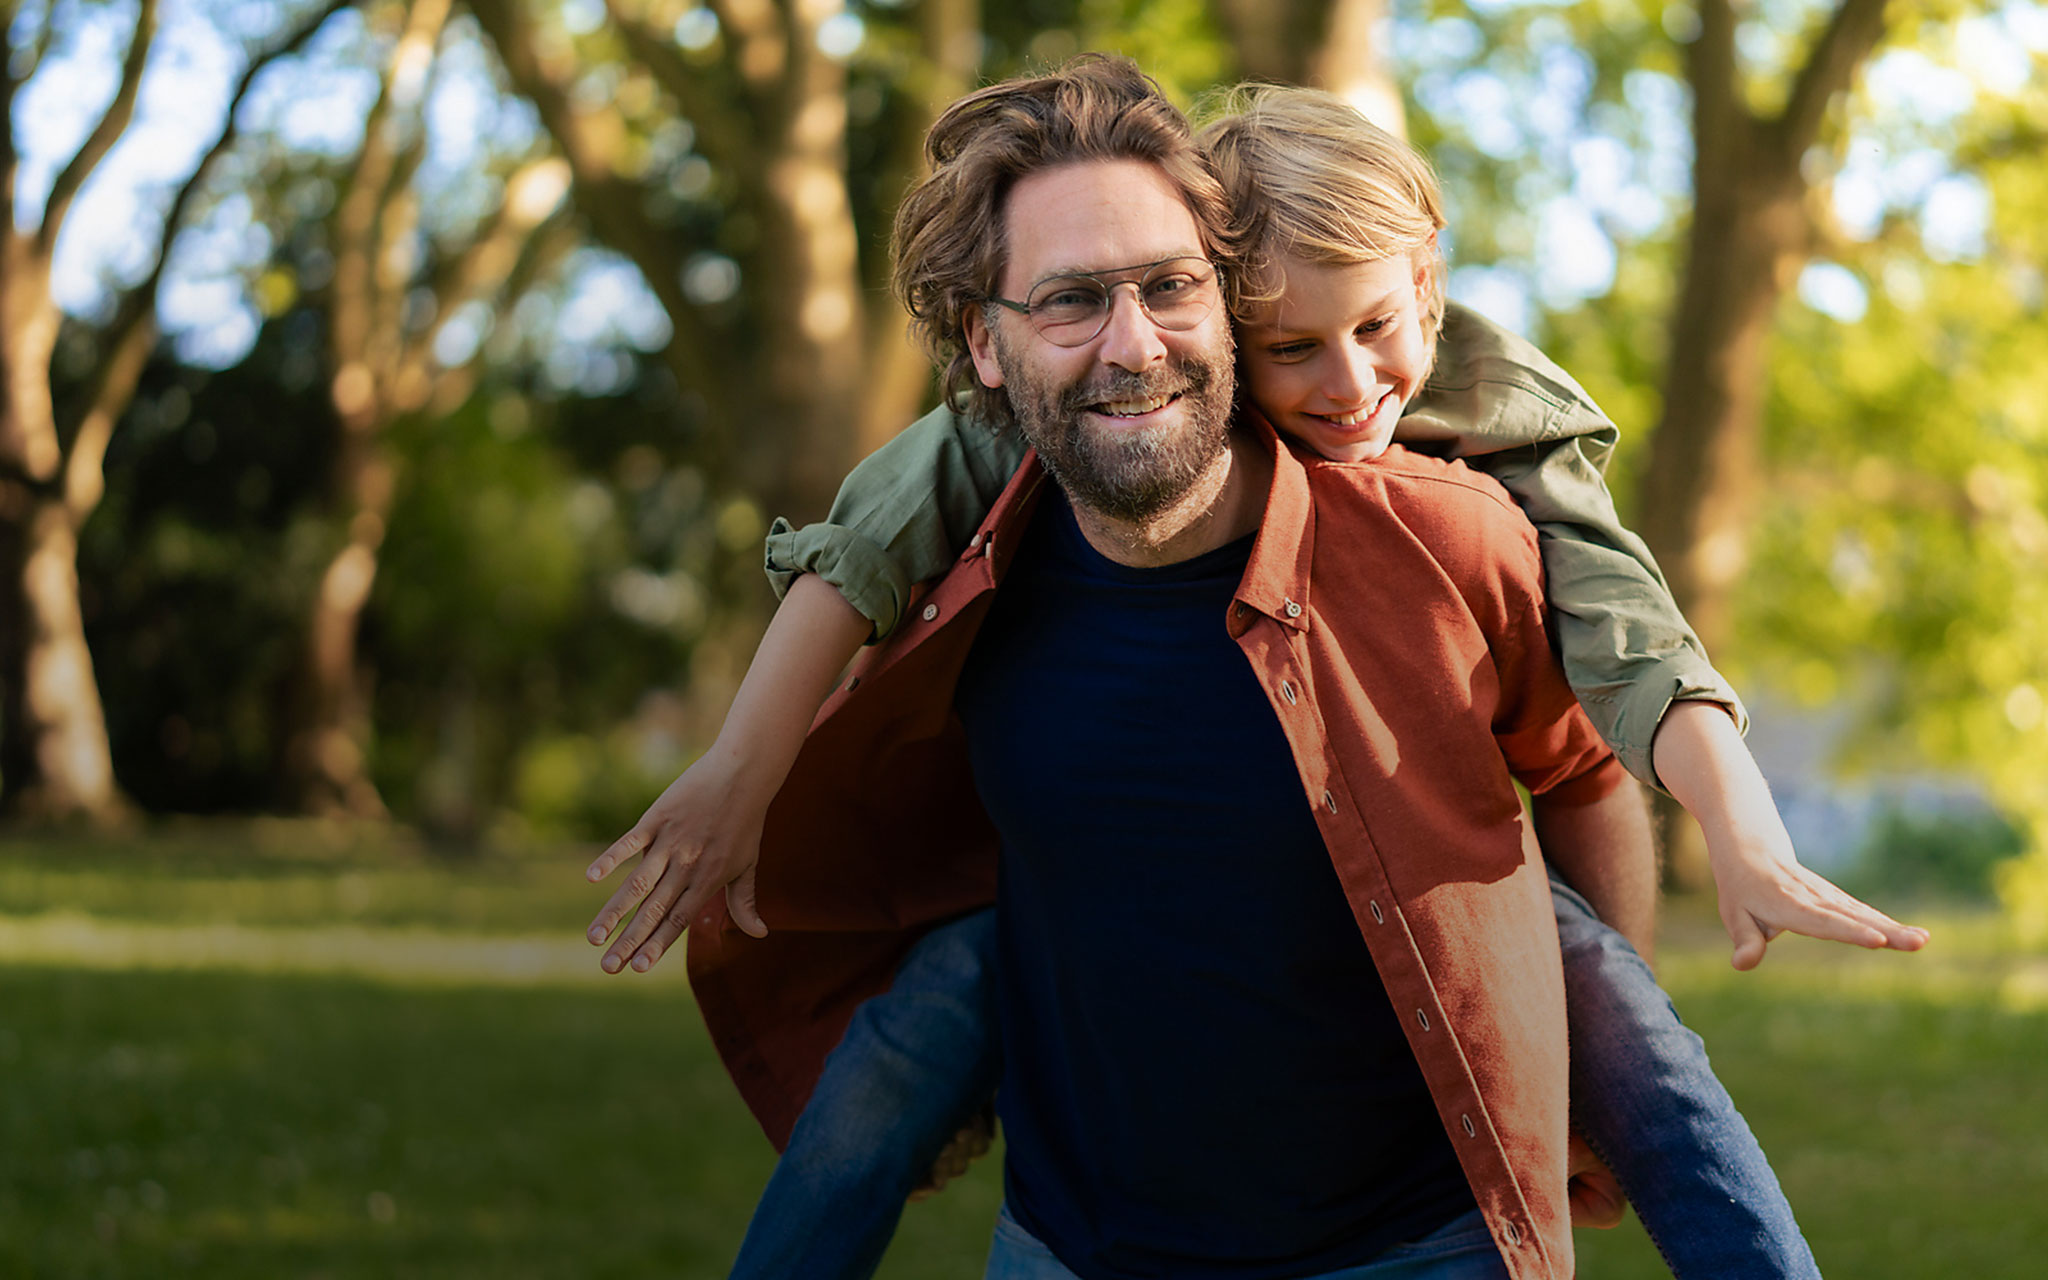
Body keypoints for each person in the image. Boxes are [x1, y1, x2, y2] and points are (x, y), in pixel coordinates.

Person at [587, 64, 1925, 1278]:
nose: (1347, 385)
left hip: (1421, 1219)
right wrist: (743, 767)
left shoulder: (1470, 489)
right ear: (988, 347)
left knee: (1615, 1010)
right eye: (1073, 300)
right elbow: (859, 549)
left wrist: (1719, 846)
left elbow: (1610, 672)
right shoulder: (992, 501)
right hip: (1083, 1221)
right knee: (910, 1040)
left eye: (1165, 288)